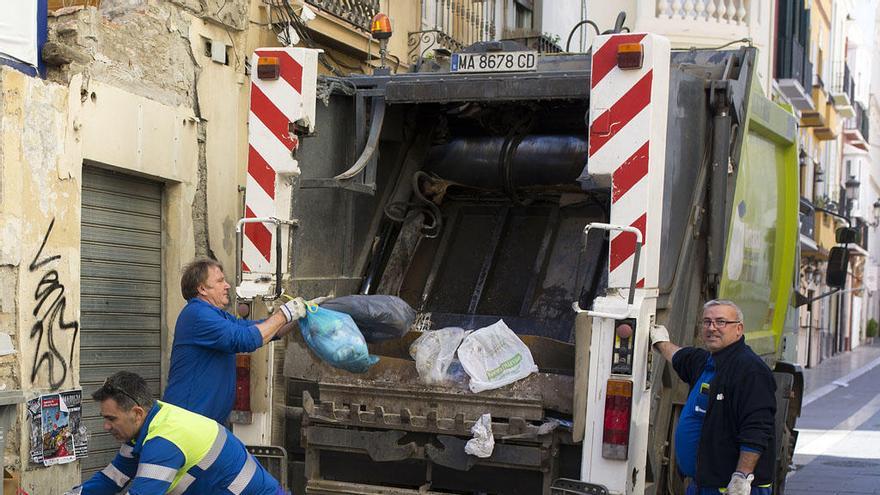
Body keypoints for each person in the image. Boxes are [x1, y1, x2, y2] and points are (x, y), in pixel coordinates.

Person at [69, 371, 284, 494]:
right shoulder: (149, 423)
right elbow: (112, 479)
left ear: (136, 412)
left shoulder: (163, 442)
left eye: (111, 419)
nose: (106, 426)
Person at [650, 299, 777, 495]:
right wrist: (659, 342)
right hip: (703, 485)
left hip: (732, 489)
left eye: (721, 322)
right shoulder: (706, 362)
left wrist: (742, 477)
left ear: (739, 329)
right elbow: (679, 356)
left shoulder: (750, 371)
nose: (712, 328)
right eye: (707, 322)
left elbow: (757, 428)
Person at [163, 258, 308, 424]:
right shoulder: (197, 315)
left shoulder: (216, 315)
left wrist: (298, 316)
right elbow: (245, 339)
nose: (227, 285)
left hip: (204, 424)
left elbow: (260, 328)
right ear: (202, 289)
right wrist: (284, 314)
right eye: (220, 281)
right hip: (187, 422)